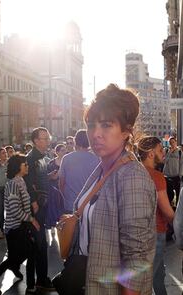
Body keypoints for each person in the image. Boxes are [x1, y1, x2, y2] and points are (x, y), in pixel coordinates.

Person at [72, 84, 156, 294]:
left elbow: (136, 258)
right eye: (91, 125)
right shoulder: (102, 168)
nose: (96, 134)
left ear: (126, 131)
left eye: (106, 125)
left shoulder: (131, 175)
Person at [0, 154, 39, 295]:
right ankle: (29, 286)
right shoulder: (14, 184)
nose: (27, 166)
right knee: (24, 255)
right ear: (18, 166)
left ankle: (20, 278)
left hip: (20, 226)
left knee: (21, 255)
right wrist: (31, 219)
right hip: (15, 228)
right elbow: (15, 210)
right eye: (25, 164)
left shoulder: (20, 180)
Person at [137, 136, 174, 294]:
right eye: (160, 150)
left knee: (158, 275)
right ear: (151, 154)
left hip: (138, 232)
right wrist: (178, 226)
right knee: (147, 278)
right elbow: (167, 211)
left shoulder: (134, 171)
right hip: (156, 233)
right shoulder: (157, 177)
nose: (163, 153)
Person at [24, 127, 54, 291]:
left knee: (42, 244)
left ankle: (41, 279)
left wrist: (51, 177)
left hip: (43, 205)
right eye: (45, 138)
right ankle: (39, 281)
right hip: (36, 208)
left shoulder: (43, 157)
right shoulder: (30, 158)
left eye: (48, 137)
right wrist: (34, 203)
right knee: (39, 244)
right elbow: (28, 183)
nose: (48, 140)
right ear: (36, 141)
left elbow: (39, 178)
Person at [58, 129, 99, 213]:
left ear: (75, 141)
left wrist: (64, 198)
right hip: (89, 204)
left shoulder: (66, 158)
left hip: (70, 204)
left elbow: (61, 183)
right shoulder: (97, 159)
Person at [163, 136, 183, 207]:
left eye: (173, 142)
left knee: (178, 193)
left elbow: (181, 164)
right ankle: (169, 207)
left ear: (176, 142)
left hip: (176, 176)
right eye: (170, 143)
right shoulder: (166, 151)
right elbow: (164, 161)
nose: (172, 144)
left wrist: (180, 175)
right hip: (167, 176)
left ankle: (177, 208)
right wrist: (169, 152)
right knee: (169, 194)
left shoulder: (180, 152)